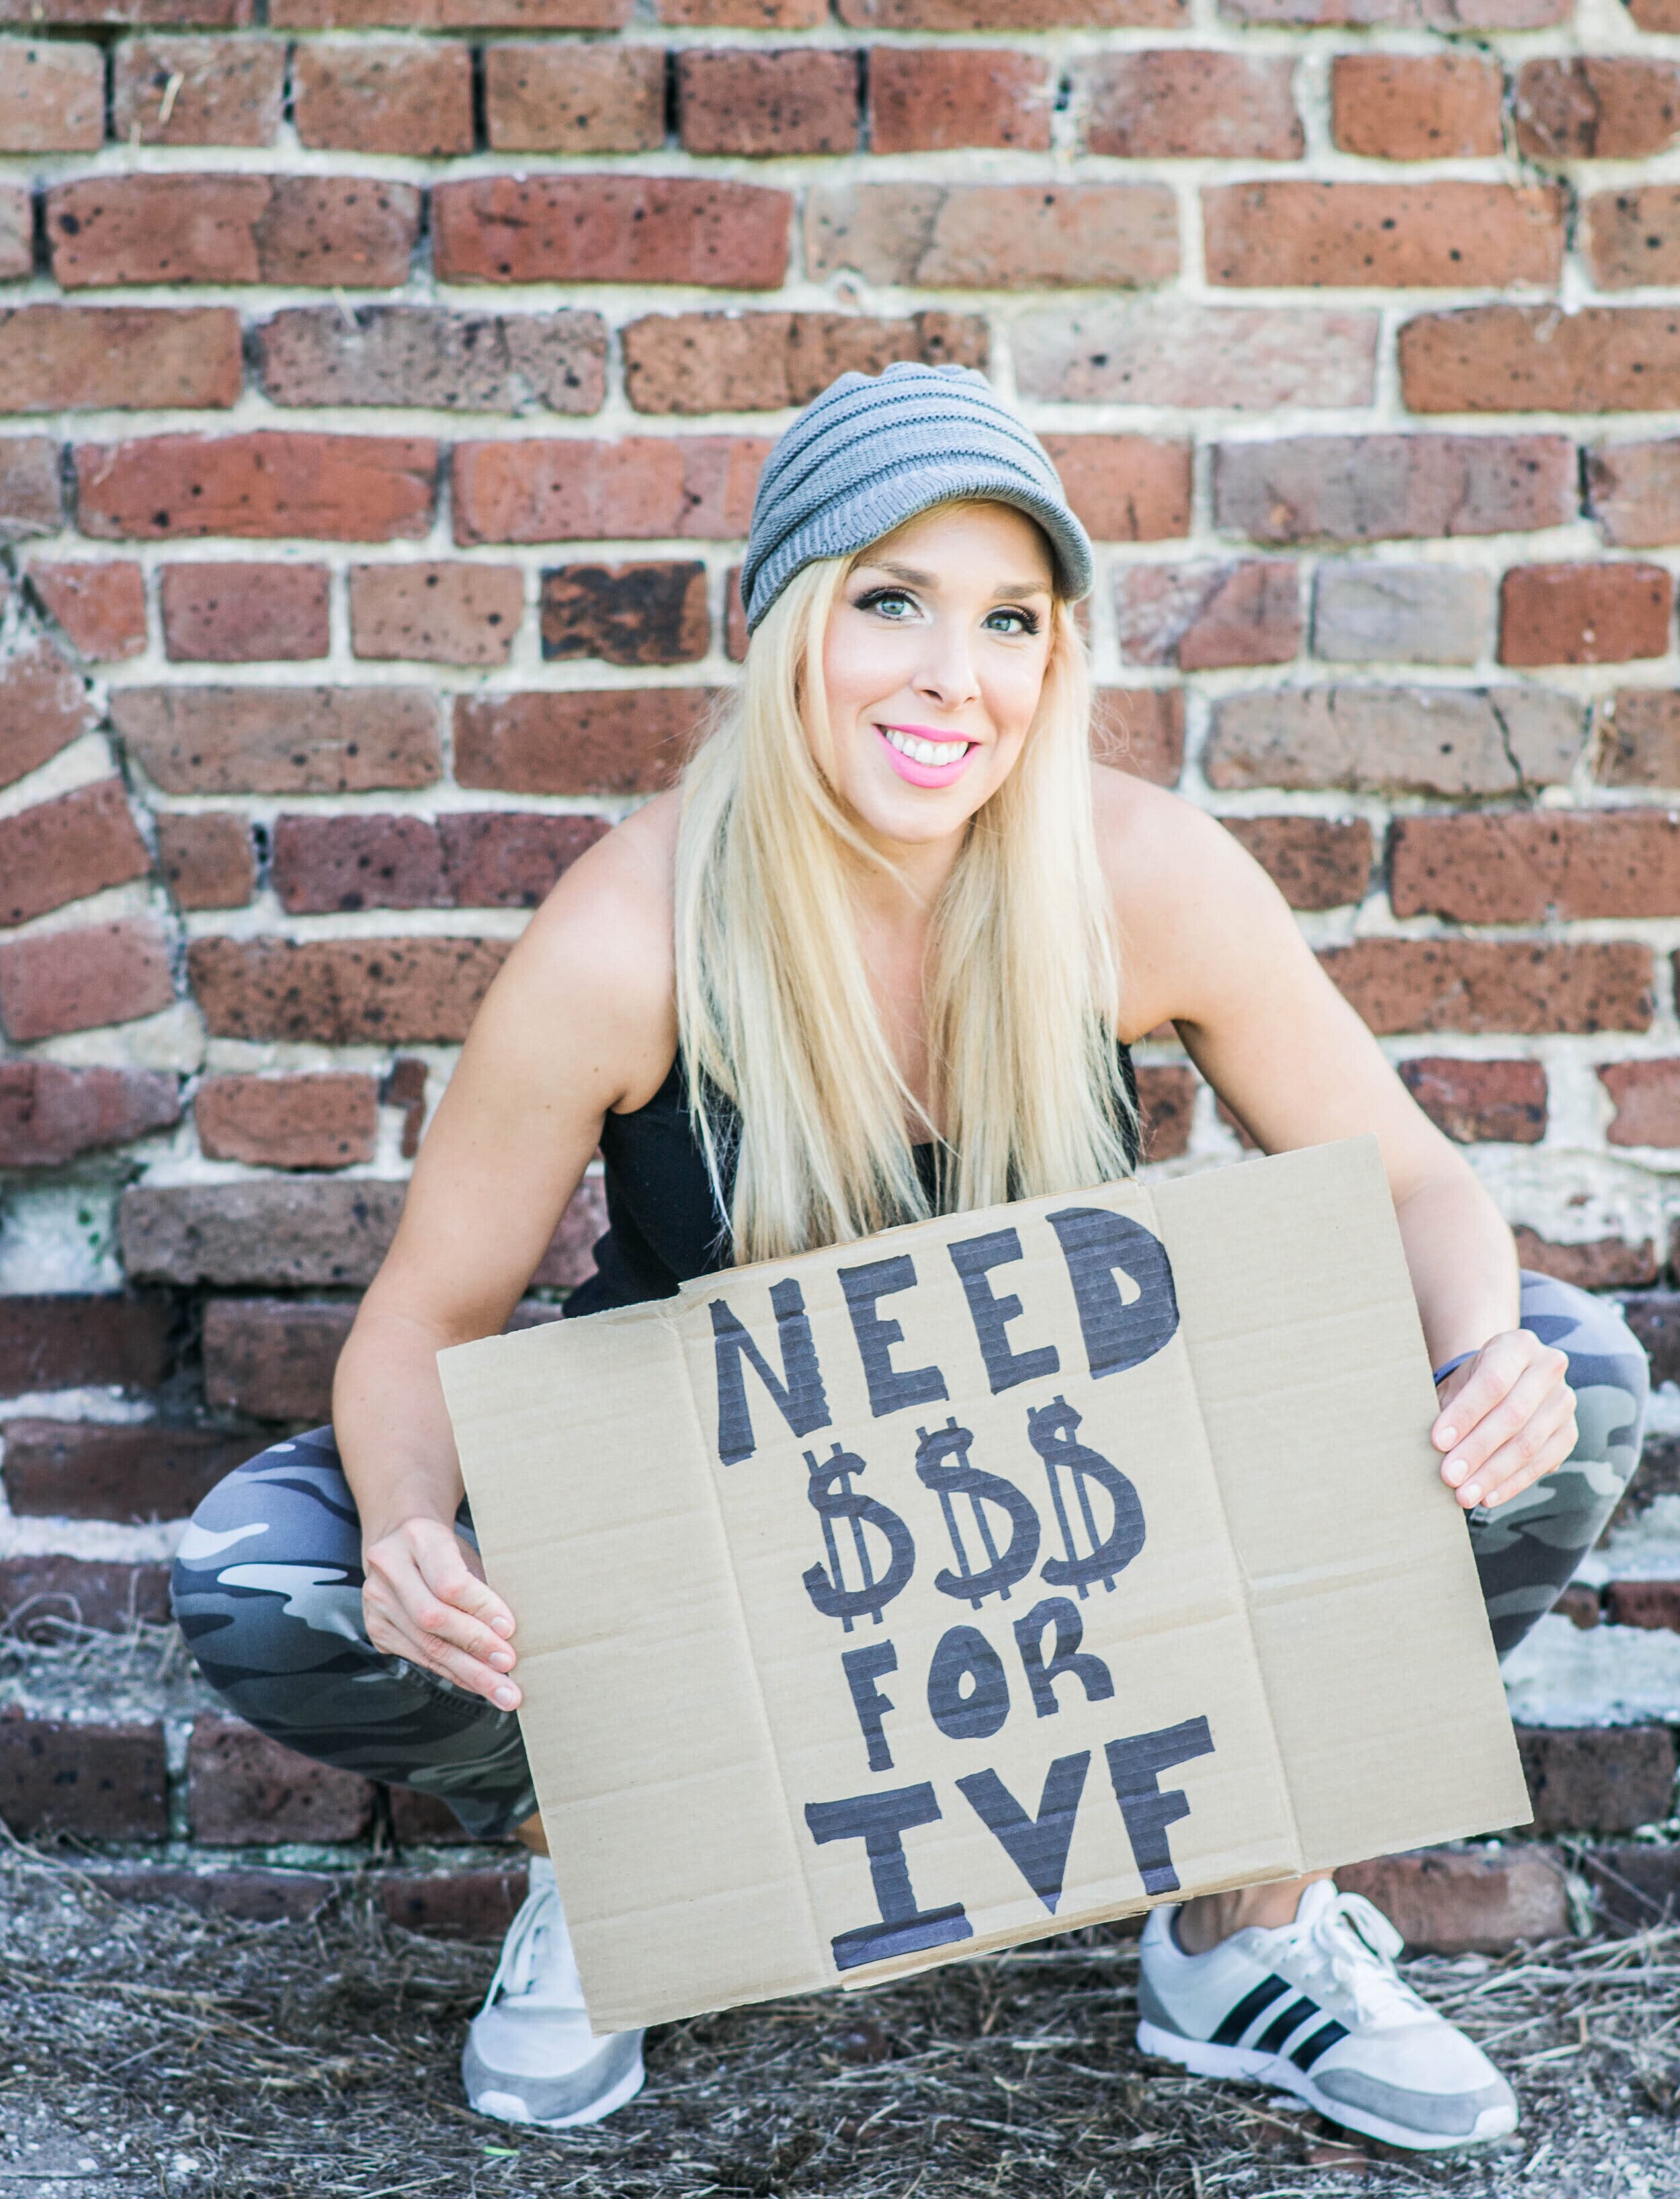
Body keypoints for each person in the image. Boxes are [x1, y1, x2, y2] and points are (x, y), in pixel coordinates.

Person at [172, 365, 1648, 2151]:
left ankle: (1241, 1929)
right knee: (276, 1569)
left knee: (1562, 1378)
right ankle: (618, 1869)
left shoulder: (1132, 877)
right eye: (893, 600)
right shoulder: (635, 935)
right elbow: (427, 1313)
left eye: (1009, 620)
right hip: (716, 1569)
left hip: (1075, 1533)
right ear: (797, 624)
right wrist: (415, 1534)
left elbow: (1415, 1189)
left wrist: (1476, 1348)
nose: (956, 670)